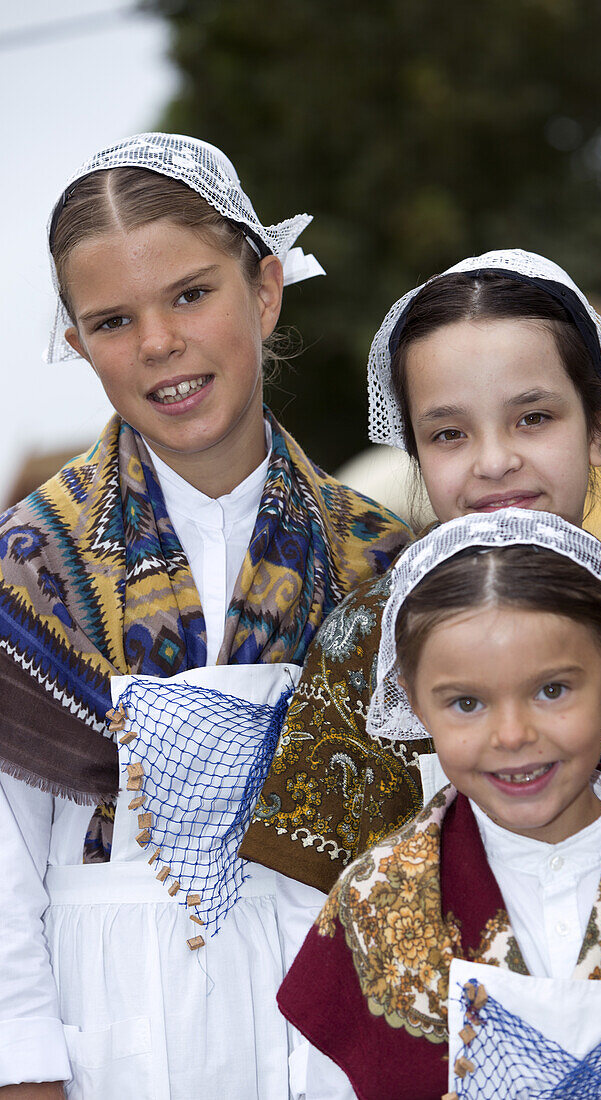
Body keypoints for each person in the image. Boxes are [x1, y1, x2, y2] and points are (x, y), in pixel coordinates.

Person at [0, 133, 411, 1098]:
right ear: (77, 343)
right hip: (113, 1023)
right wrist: (22, 1071)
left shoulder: (383, 564)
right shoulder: (28, 564)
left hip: (334, 1017)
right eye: (110, 320)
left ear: (264, 290)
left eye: (191, 294)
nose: (157, 344)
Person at [240, 249, 601, 892]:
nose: (495, 461)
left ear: (599, 427)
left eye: (533, 419)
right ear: (414, 453)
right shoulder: (360, 650)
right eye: (449, 434)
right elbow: (306, 914)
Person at [278, 509, 601, 1099]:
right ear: (415, 704)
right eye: (467, 703)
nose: (512, 735)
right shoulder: (370, 907)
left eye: (552, 690)